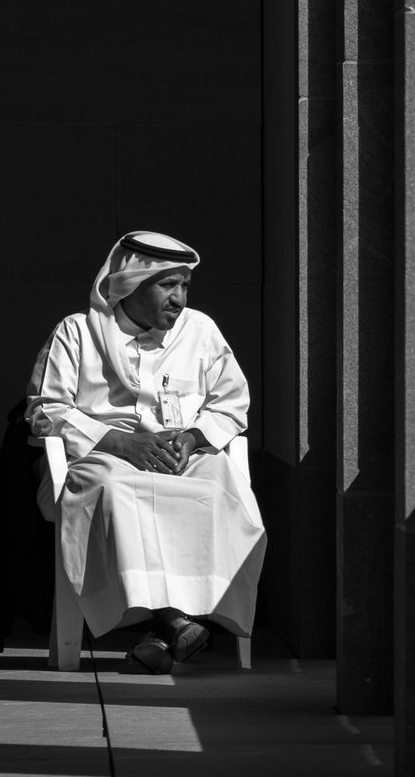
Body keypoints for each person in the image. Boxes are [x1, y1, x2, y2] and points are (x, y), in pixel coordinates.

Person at [26, 231, 266, 673]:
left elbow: (231, 403)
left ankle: (167, 632)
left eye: (185, 286)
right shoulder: (76, 332)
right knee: (113, 489)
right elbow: (45, 411)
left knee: (220, 487)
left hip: (183, 458)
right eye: (167, 285)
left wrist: (192, 438)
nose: (179, 298)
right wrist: (117, 441)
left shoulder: (201, 331)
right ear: (131, 283)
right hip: (100, 456)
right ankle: (176, 621)